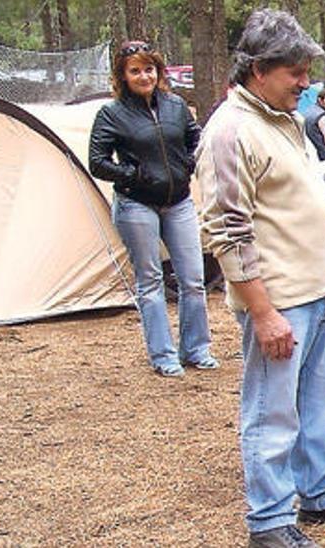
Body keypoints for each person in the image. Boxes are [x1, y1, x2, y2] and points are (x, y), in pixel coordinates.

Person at [194, 10, 325, 547]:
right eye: (295, 73)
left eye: (306, 71)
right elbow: (228, 231)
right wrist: (262, 310)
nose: (306, 83)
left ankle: (320, 492)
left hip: (314, 295)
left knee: (317, 402)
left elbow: (290, 213)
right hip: (277, 302)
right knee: (271, 411)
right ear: (258, 69)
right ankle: (271, 521)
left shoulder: (282, 121)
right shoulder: (231, 131)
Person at [89, 40, 217, 378]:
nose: (144, 76)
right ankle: (163, 355)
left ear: (158, 71)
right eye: (136, 71)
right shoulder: (111, 114)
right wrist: (132, 174)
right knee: (151, 281)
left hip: (179, 202)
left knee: (193, 278)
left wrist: (187, 164)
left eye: (149, 69)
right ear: (123, 76)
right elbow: (97, 162)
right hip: (136, 205)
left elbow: (196, 139)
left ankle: (196, 348)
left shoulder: (175, 106)